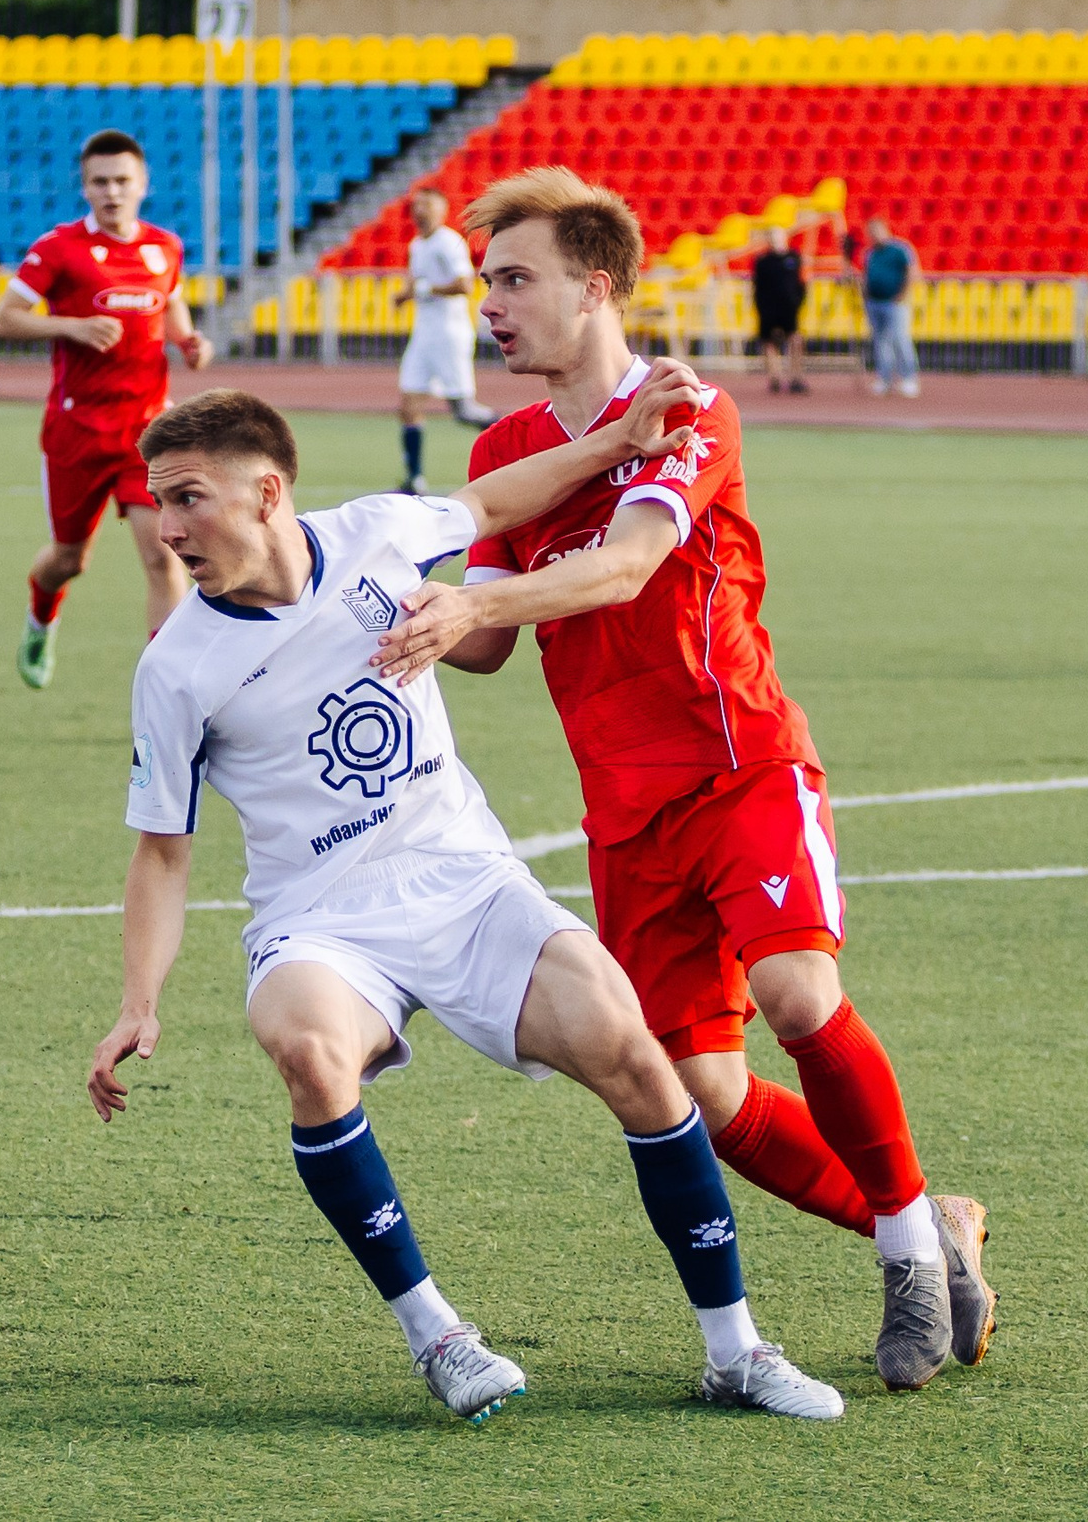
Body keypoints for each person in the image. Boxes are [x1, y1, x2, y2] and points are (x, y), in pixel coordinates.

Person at [89, 386, 842, 1424]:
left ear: (266, 493)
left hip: (463, 879)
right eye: (157, 502)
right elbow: (162, 851)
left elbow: (488, 503)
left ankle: (736, 1350)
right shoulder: (174, 667)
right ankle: (437, 1337)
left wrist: (617, 441)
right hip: (319, 919)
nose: (167, 527)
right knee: (308, 1052)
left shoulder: (375, 535)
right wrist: (138, 999)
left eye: (187, 499)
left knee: (634, 1055)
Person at [368, 167, 997, 1392]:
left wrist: (472, 598)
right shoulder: (505, 448)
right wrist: (375, 611)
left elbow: (626, 564)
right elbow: (487, 646)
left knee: (798, 997)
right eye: (486, 280)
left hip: (738, 763)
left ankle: (912, 1259)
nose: (489, 302)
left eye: (515, 279)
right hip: (623, 808)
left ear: (593, 286)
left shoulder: (690, 405)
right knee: (704, 1093)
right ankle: (937, 1217)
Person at [0, 129, 213, 688]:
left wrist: (189, 341)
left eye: (122, 181)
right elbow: (4, 318)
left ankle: (169, 686)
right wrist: (70, 325)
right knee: (69, 559)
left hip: (147, 432)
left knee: (165, 557)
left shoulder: (164, 245)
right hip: (76, 430)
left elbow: (171, 302)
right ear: (85, 187)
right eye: (100, 182)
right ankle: (42, 609)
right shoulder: (58, 248)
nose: (111, 192)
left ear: (143, 185)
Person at [392, 186, 497, 496]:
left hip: (449, 334)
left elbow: (465, 284)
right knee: (408, 405)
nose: (419, 210)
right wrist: (404, 295)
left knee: (463, 411)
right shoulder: (417, 245)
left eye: (427, 205)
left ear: (441, 211)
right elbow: (415, 280)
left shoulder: (448, 242)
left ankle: (509, 436)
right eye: (417, 205)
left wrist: (424, 290)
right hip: (424, 334)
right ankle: (415, 480)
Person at [848, 215, 920, 400]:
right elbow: (865, 274)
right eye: (870, 233)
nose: (873, 235)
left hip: (894, 302)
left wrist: (902, 294)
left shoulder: (900, 249)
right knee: (881, 342)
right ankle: (884, 378)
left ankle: (908, 377)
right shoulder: (870, 253)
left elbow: (911, 271)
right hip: (874, 302)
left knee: (899, 339)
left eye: (875, 231)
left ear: (885, 230)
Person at [749, 227, 808, 396]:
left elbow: (802, 282)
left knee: (795, 339)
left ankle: (796, 377)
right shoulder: (762, 261)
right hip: (768, 308)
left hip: (789, 307)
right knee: (769, 342)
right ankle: (775, 378)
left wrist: (798, 301)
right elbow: (757, 286)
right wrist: (759, 307)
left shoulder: (794, 258)